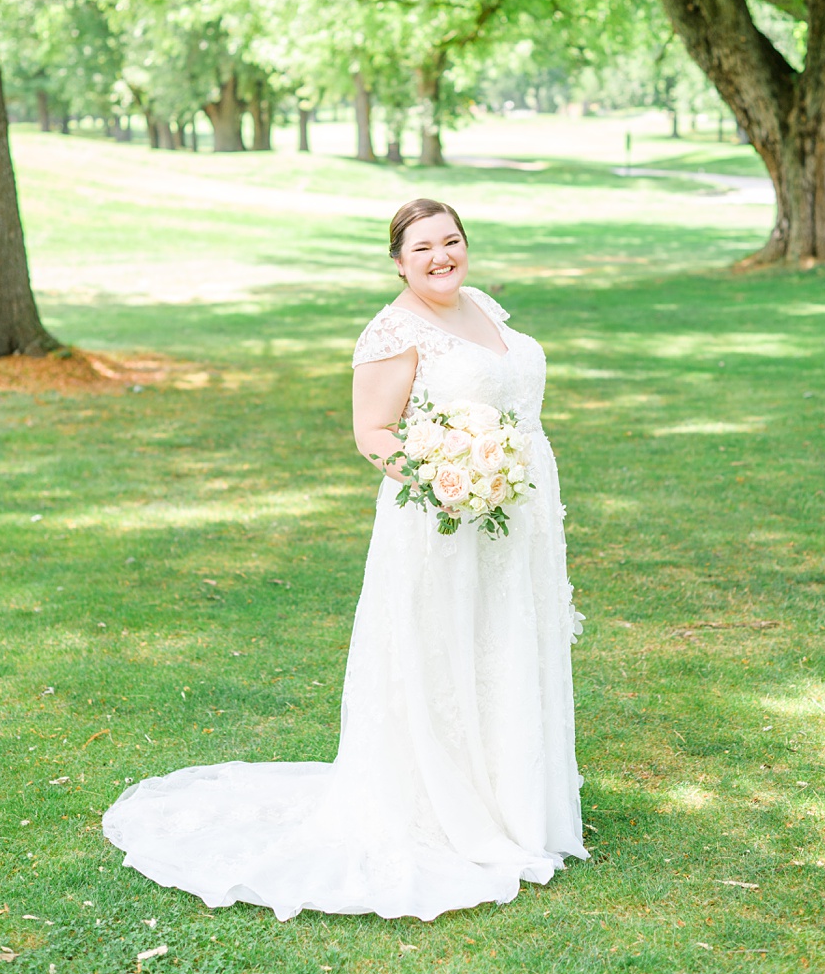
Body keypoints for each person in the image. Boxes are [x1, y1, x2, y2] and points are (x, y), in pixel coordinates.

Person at [102, 198, 586, 921]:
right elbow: (373, 433)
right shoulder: (393, 330)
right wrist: (449, 478)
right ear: (398, 260)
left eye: (451, 241)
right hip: (442, 522)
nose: (440, 257)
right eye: (421, 248)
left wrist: (501, 476)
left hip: (515, 518)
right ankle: (446, 803)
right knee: (446, 653)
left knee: (503, 644)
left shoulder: (482, 306)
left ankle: (513, 797)